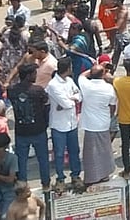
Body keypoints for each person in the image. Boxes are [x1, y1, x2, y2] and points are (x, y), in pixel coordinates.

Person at [45, 58, 82, 190]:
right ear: (68, 68)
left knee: (74, 151)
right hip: (59, 124)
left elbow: (79, 96)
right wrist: (71, 100)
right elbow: (67, 104)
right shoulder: (53, 85)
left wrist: (70, 100)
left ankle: (75, 175)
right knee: (59, 153)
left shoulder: (70, 81)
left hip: (72, 122)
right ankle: (60, 178)